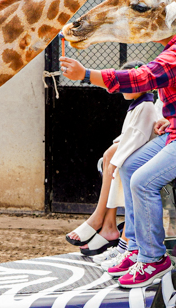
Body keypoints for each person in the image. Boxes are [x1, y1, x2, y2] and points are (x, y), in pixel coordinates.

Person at [59, 34, 176, 287]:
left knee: (143, 182)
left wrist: (87, 74)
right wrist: (172, 119)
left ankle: (154, 259)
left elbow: (142, 78)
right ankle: (135, 246)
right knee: (131, 166)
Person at [64, 83, 164, 259]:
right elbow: (132, 134)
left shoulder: (147, 105)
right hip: (152, 144)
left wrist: (116, 158)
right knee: (111, 157)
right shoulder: (142, 104)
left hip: (158, 149)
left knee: (123, 164)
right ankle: (107, 224)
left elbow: (140, 136)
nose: (122, 88)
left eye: (128, 83)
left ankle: (120, 240)